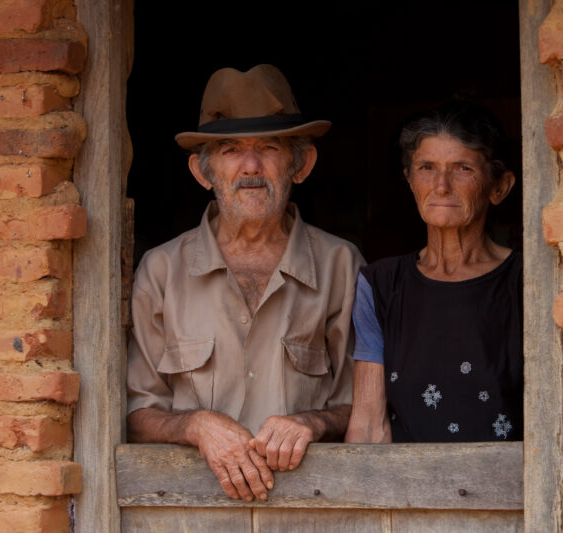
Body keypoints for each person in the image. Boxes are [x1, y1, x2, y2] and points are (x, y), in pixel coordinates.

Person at [126, 65, 363, 502]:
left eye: (269, 147)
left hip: (314, 510)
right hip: (189, 515)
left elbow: (365, 407)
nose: (250, 166)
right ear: (203, 172)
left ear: (301, 163)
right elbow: (137, 412)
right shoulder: (160, 270)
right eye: (231, 149)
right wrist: (196, 425)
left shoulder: (341, 266)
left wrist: (312, 422)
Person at [344, 101, 522, 443]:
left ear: (499, 187)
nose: (441, 186)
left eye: (462, 169)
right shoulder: (380, 285)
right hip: (408, 492)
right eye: (426, 167)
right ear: (410, 181)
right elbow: (368, 424)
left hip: (507, 492)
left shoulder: (524, 281)